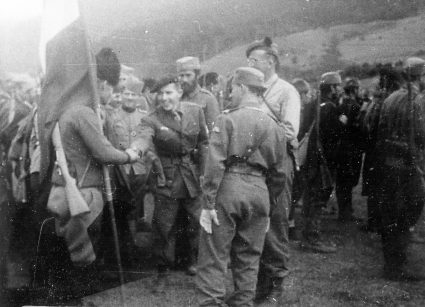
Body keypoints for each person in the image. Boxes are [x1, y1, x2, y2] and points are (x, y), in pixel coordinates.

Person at [41, 48, 140, 297]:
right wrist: (129, 155)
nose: (111, 96)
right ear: (103, 84)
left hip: (63, 192)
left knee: (70, 255)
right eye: (112, 89)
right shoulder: (83, 113)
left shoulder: (66, 110)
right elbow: (104, 153)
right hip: (84, 197)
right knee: (86, 259)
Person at [196, 67, 288, 307]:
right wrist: (269, 204)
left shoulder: (227, 119)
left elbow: (214, 164)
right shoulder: (275, 126)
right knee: (249, 258)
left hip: (228, 189)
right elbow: (280, 175)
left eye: (233, 88)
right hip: (261, 193)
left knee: (213, 256)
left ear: (243, 88)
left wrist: (208, 203)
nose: (230, 94)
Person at [131, 75, 208, 276]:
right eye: (160, 94)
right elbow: (143, 138)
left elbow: (203, 143)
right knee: (164, 224)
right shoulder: (151, 119)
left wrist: (204, 171)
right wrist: (135, 151)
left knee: (196, 221)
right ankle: (163, 265)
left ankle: (194, 259)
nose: (164, 98)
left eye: (168, 93)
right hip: (166, 176)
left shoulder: (195, 111)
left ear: (179, 92)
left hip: (191, 175)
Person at [246, 36, 300, 303]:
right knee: (255, 220)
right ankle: (259, 281)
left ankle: (276, 282)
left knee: (276, 221)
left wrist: (255, 132)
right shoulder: (248, 89)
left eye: (254, 60)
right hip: (253, 163)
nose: (250, 64)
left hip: (278, 162)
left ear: (271, 62)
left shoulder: (287, 91)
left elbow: (290, 130)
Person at [374, 57, 425, 281]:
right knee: (407, 215)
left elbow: (380, 129)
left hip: (389, 163)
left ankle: (391, 265)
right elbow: (422, 134)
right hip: (410, 165)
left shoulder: (391, 98)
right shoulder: (418, 101)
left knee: (390, 214)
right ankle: (401, 265)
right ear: (419, 76)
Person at [103, 75, 150, 268]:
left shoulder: (144, 117)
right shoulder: (111, 115)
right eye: (126, 93)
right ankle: (120, 252)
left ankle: (132, 249)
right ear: (121, 95)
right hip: (118, 172)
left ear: (139, 97)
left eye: (134, 94)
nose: (130, 97)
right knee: (120, 210)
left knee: (136, 210)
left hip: (139, 171)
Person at [300, 72, 343, 254]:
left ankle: (307, 235)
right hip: (323, 162)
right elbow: (334, 139)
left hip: (311, 160)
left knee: (311, 197)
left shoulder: (313, 105)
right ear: (332, 87)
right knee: (318, 199)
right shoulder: (331, 108)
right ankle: (312, 238)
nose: (339, 89)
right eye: (337, 86)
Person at [360, 67, 402, 233]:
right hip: (389, 150)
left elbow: (369, 126)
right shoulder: (398, 99)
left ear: (385, 81)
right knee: (386, 188)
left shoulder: (382, 101)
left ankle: (375, 222)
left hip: (377, 150)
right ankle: (384, 223)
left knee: (375, 187)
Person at [335, 77, 363, 222]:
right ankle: (345, 213)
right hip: (351, 150)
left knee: (342, 181)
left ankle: (344, 210)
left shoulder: (340, 104)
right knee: (348, 181)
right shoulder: (355, 106)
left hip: (341, 148)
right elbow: (358, 129)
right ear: (354, 90)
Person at [176, 56, 220, 132]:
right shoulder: (175, 98)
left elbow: (214, 131)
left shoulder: (208, 99)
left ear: (197, 76)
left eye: (188, 75)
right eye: (181, 76)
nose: (184, 80)